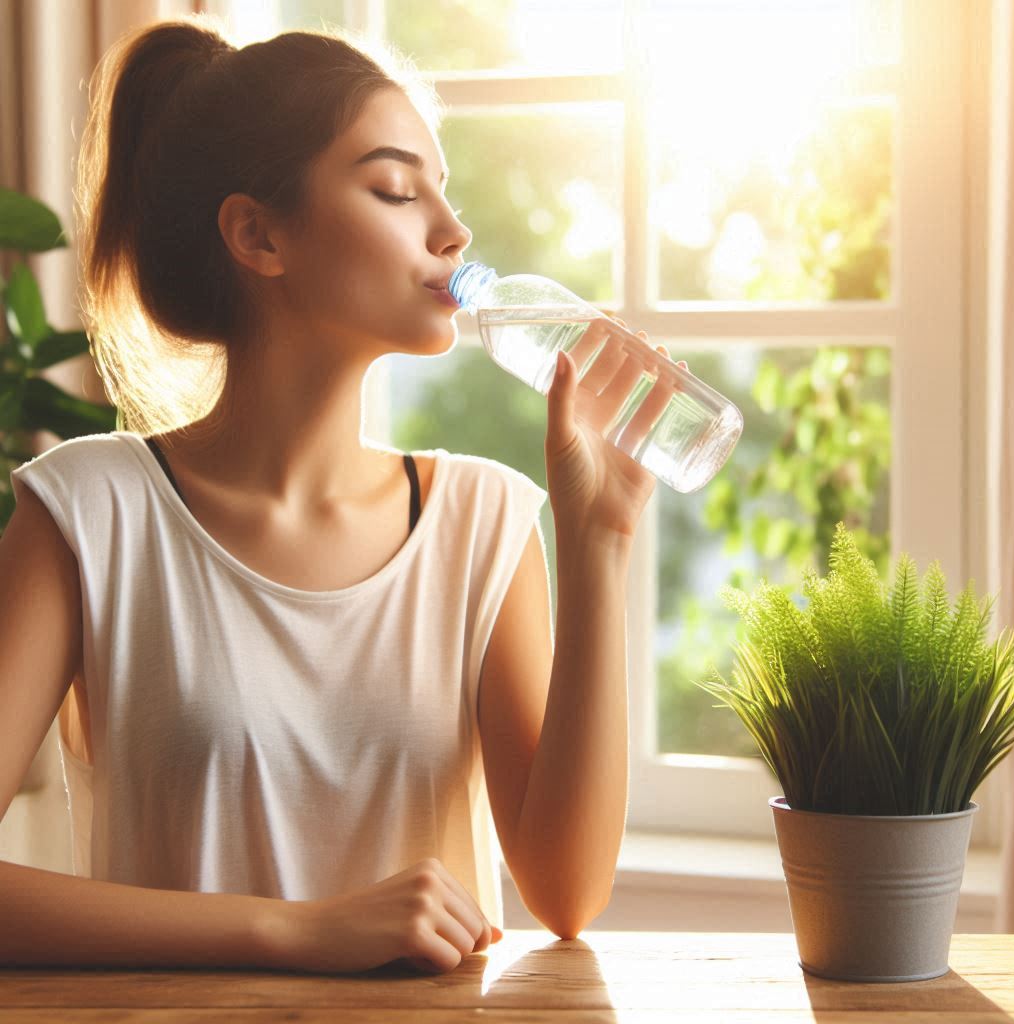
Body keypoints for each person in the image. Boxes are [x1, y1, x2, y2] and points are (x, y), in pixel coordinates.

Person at [0, 15, 685, 975]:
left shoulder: (483, 523)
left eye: (442, 192)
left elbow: (569, 893)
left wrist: (601, 539)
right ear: (257, 233)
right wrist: (297, 929)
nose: (453, 231)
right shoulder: (90, 515)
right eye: (396, 189)